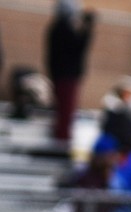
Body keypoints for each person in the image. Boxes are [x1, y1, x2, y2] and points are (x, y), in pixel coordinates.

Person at [45, 0, 95, 144]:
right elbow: (79, 47)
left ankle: (61, 139)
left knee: (64, 112)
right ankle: (61, 142)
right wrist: (87, 27)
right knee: (65, 113)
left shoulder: (57, 28)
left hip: (62, 76)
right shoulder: (62, 29)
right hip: (66, 77)